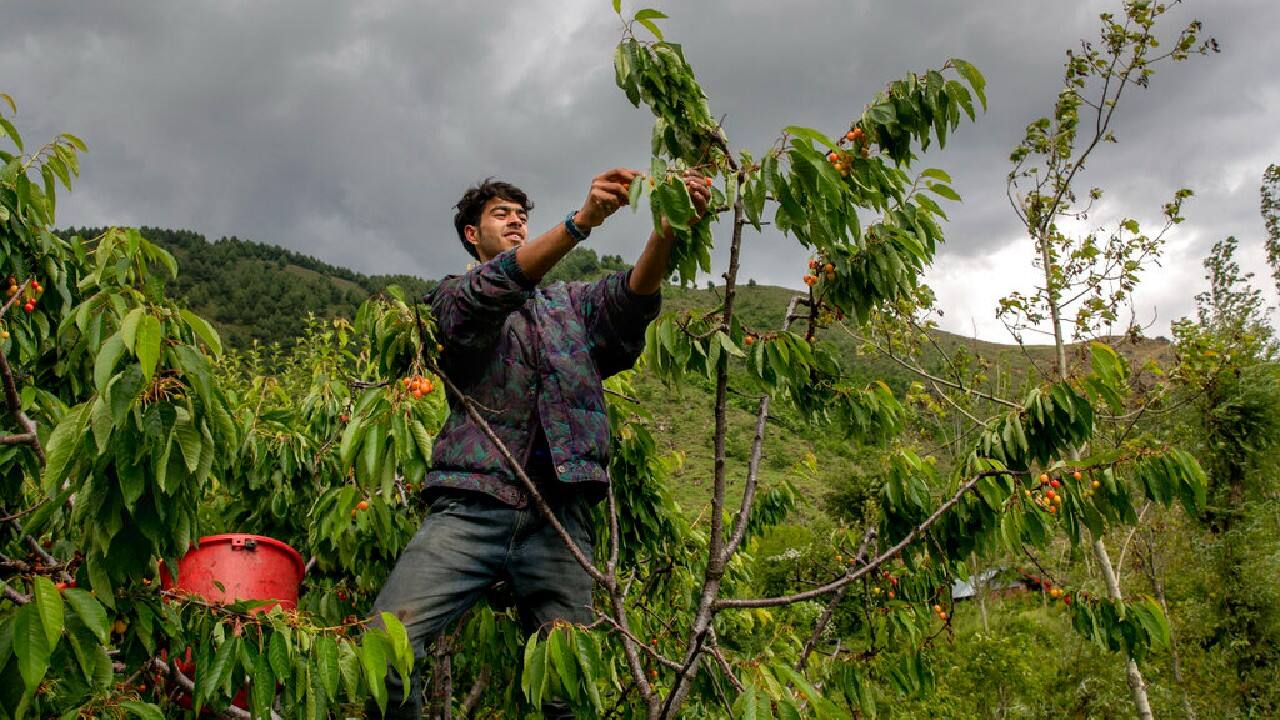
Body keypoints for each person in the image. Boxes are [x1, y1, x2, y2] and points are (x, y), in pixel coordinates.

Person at [367, 168, 709, 718]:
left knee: (563, 692)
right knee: (384, 649)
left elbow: (629, 301)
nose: (515, 220)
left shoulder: (568, 306)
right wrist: (581, 223)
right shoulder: (450, 298)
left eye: (520, 214)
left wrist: (665, 228)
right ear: (470, 235)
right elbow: (488, 294)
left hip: (560, 518)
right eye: (500, 214)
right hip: (472, 507)